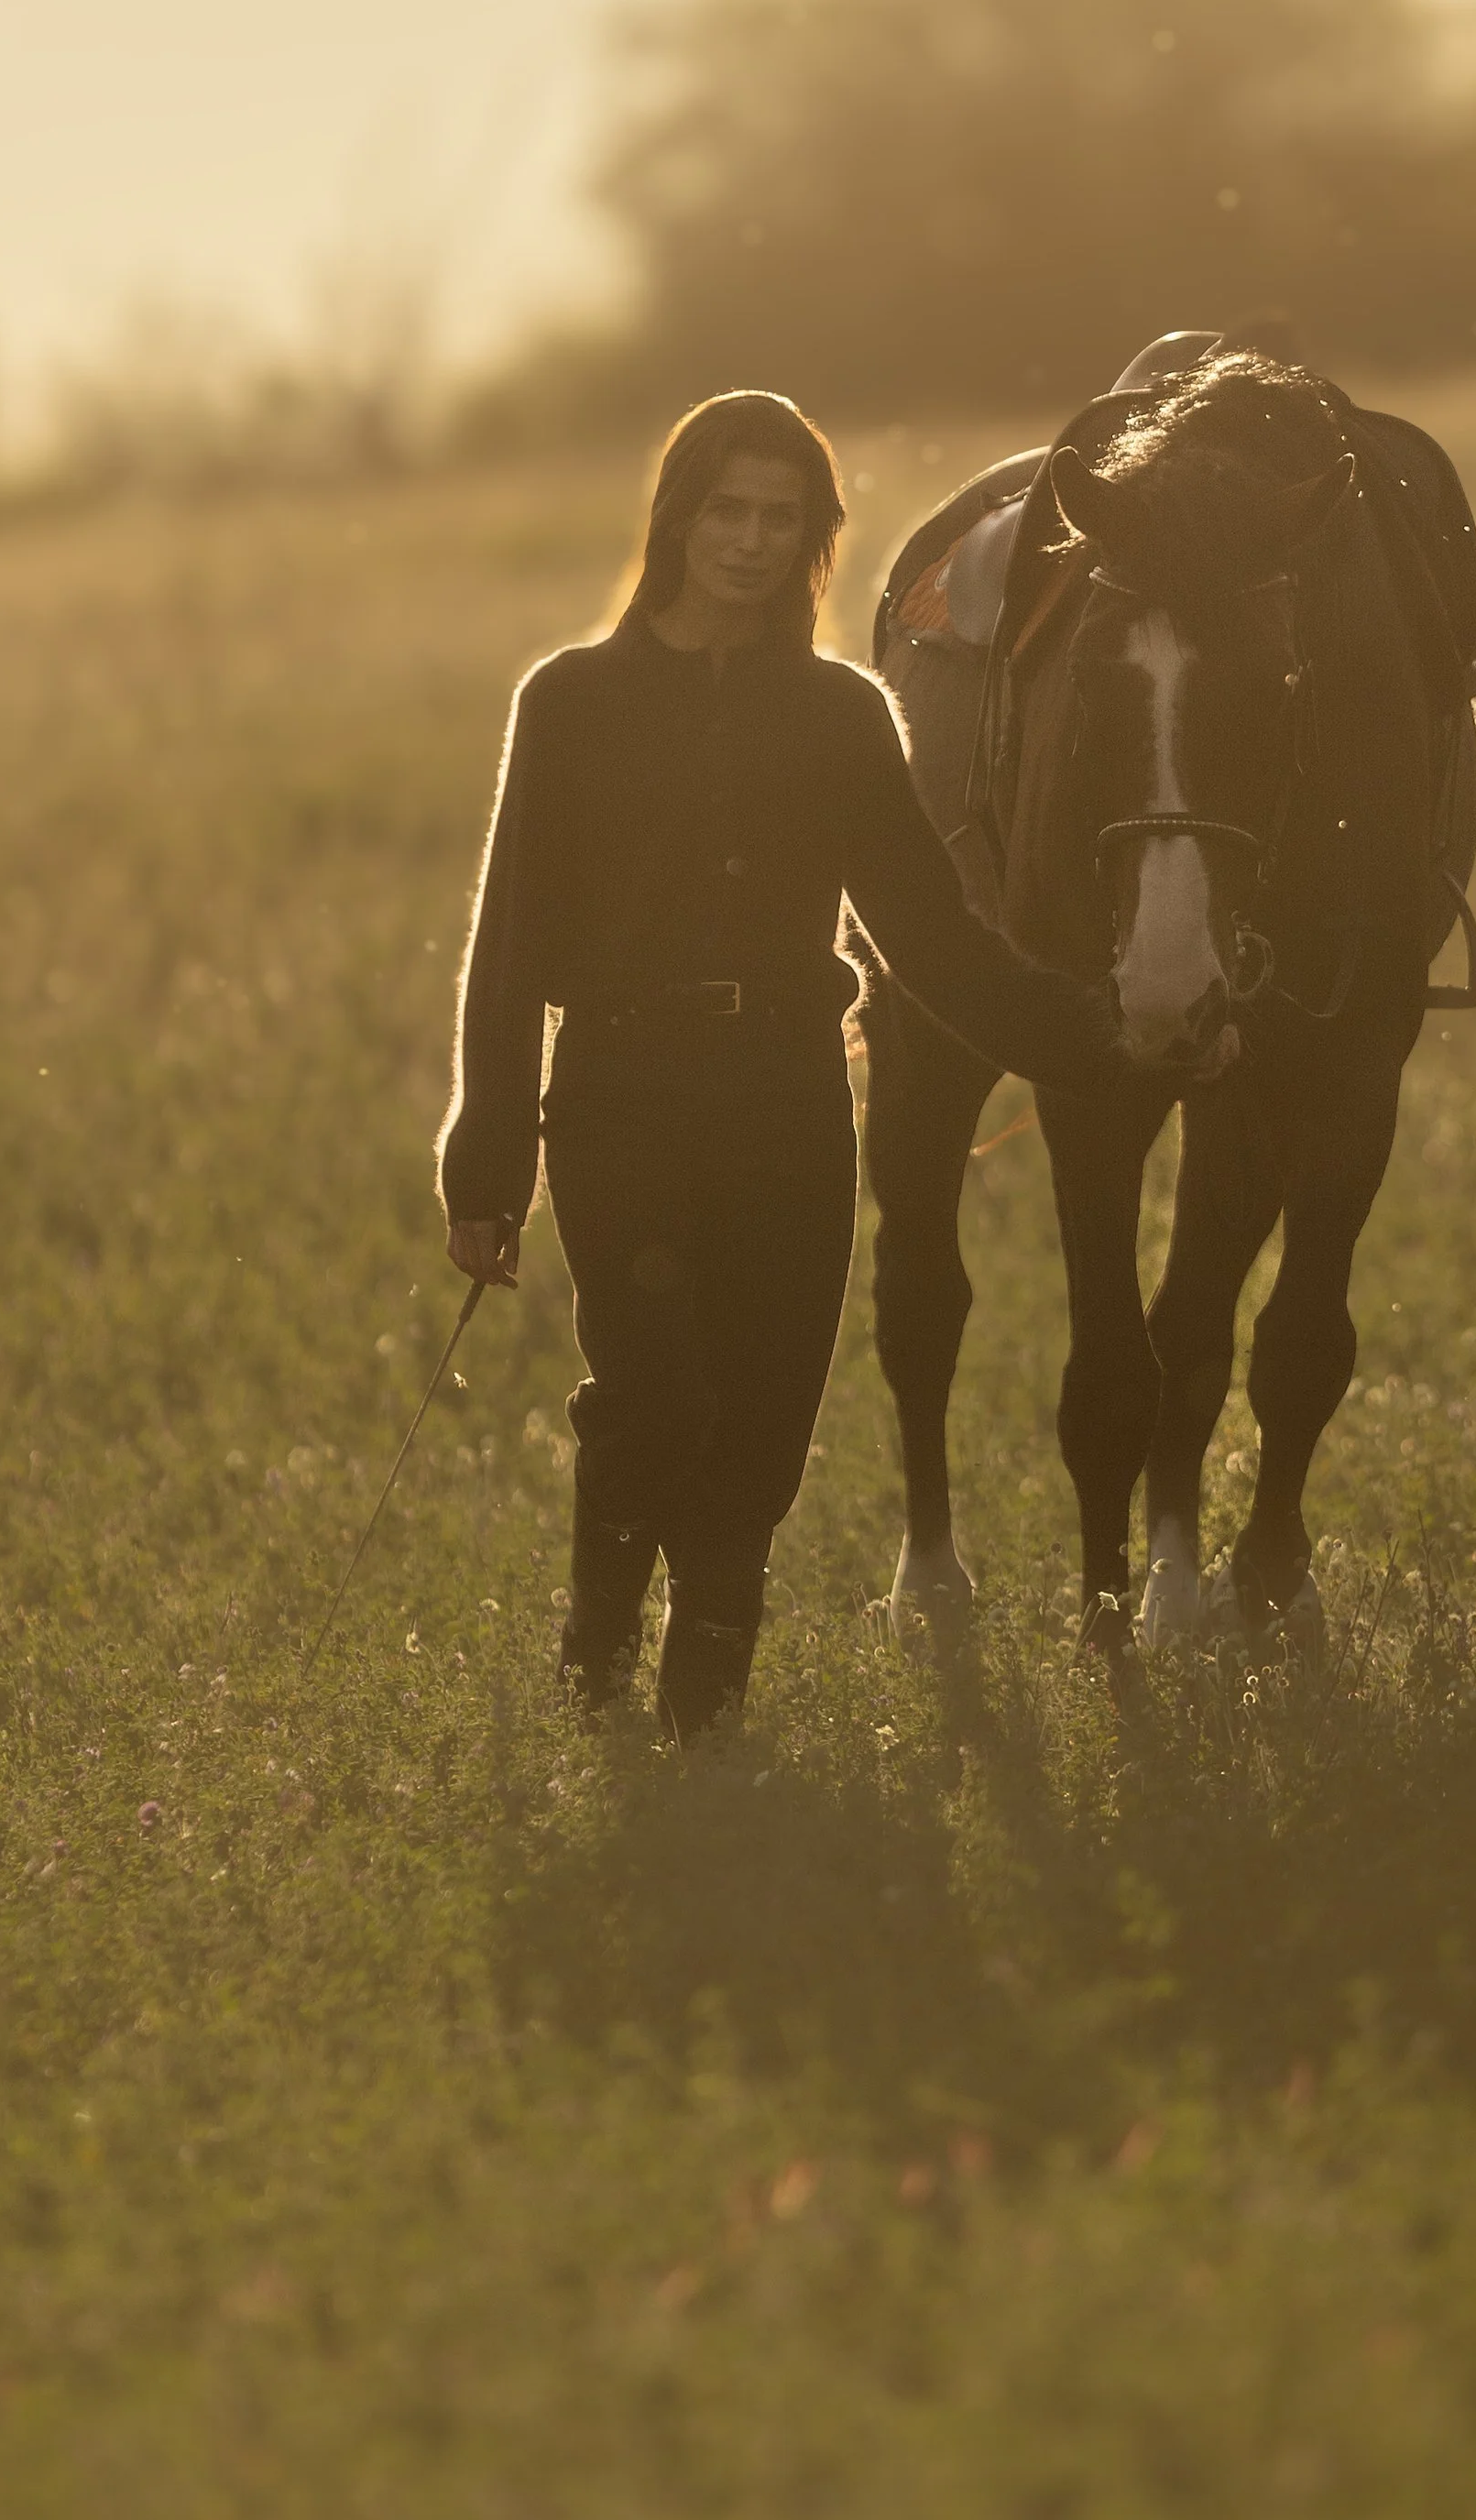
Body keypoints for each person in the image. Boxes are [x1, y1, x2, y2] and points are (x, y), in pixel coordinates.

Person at [436, 389, 1121, 1738]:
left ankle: (704, 1719)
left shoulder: (841, 716)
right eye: (725, 509)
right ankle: (595, 1664)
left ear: (813, 537)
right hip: (622, 1102)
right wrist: (487, 1161)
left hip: (790, 1101)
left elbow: (934, 936)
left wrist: (1094, 1032)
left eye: (781, 517)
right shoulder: (570, 702)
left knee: (759, 1429)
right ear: (675, 516)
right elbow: (509, 946)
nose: (748, 540)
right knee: (654, 1398)